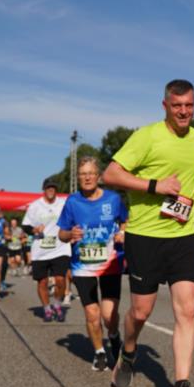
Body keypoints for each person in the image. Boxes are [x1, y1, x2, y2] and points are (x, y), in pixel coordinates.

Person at [102, 78, 194, 387]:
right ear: (165, 105)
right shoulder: (147, 137)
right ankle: (129, 352)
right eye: (177, 106)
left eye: (190, 106)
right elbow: (111, 174)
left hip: (183, 236)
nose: (184, 112)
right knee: (141, 312)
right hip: (145, 236)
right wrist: (155, 185)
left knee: (188, 309)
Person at [58, 158, 127, 371]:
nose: (87, 177)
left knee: (108, 316)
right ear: (78, 178)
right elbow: (61, 234)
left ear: (98, 176)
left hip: (110, 263)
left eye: (91, 173)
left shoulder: (113, 199)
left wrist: (123, 232)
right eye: (82, 174)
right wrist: (70, 234)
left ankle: (114, 336)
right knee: (92, 314)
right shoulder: (72, 202)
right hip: (82, 265)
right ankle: (99, 352)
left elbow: (126, 221)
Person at [22, 177, 72, 323]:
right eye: (48, 188)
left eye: (53, 188)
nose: (51, 190)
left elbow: (73, 218)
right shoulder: (35, 206)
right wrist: (34, 229)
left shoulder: (63, 203)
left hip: (60, 247)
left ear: (56, 190)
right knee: (42, 282)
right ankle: (47, 309)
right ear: (44, 190)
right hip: (40, 249)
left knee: (60, 280)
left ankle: (57, 305)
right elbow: (25, 225)